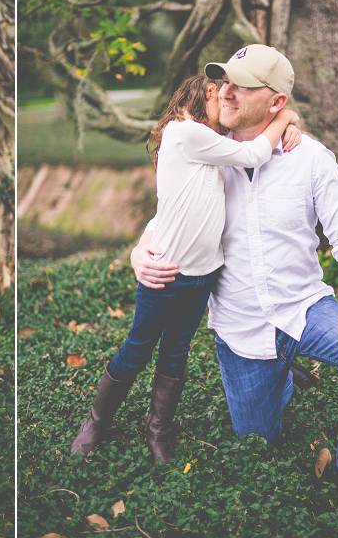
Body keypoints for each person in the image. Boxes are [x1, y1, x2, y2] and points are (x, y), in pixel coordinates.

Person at [131, 44, 338, 507]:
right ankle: (282, 375)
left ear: (276, 102)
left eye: (242, 86)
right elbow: (169, 213)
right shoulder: (207, 150)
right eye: (224, 82)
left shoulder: (312, 158)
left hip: (304, 308)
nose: (226, 92)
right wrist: (140, 250)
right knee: (256, 437)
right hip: (240, 326)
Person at [70, 74, 300, 463]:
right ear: (208, 93)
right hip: (168, 272)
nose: (228, 105)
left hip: (204, 274)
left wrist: (288, 119)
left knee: (175, 352)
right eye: (223, 96)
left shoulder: (211, 141)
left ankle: (157, 427)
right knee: (137, 350)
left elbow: (175, 206)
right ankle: (96, 422)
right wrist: (286, 117)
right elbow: (253, 154)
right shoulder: (185, 132)